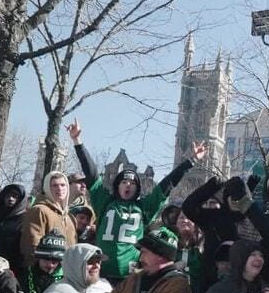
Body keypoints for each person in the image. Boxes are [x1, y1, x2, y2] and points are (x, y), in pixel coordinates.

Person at [67, 118, 205, 282]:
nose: (128, 185)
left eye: (132, 183)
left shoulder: (144, 207)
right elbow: (91, 174)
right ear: (117, 185)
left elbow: (167, 184)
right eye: (124, 182)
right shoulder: (105, 202)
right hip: (100, 273)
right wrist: (77, 141)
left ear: (137, 188)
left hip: (130, 277)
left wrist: (191, 161)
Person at [21, 171, 76, 271]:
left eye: (63, 185)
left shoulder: (70, 217)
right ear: (47, 188)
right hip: (45, 272)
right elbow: (31, 245)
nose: (60, 189)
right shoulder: (39, 210)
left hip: (67, 273)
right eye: (55, 185)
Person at [22, 229, 68, 293]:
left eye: (55, 261)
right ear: (38, 257)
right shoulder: (24, 275)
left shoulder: (68, 278)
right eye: (46, 259)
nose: (50, 265)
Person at [0, 183, 28, 275]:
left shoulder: (25, 219)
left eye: (15, 196)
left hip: (14, 268)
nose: (10, 199)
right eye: (8, 195)